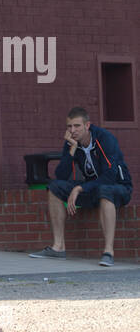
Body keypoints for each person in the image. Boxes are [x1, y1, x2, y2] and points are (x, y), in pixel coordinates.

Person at [29, 107, 132, 265]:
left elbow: (110, 177)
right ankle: (58, 247)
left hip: (119, 187)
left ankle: (108, 252)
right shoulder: (71, 142)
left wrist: (79, 188)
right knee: (55, 187)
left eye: (77, 126)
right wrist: (71, 149)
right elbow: (61, 175)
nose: (73, 130)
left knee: (105, 190)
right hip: (93, 188)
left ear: (87, 125)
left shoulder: (104, 138)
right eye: (69, 126)